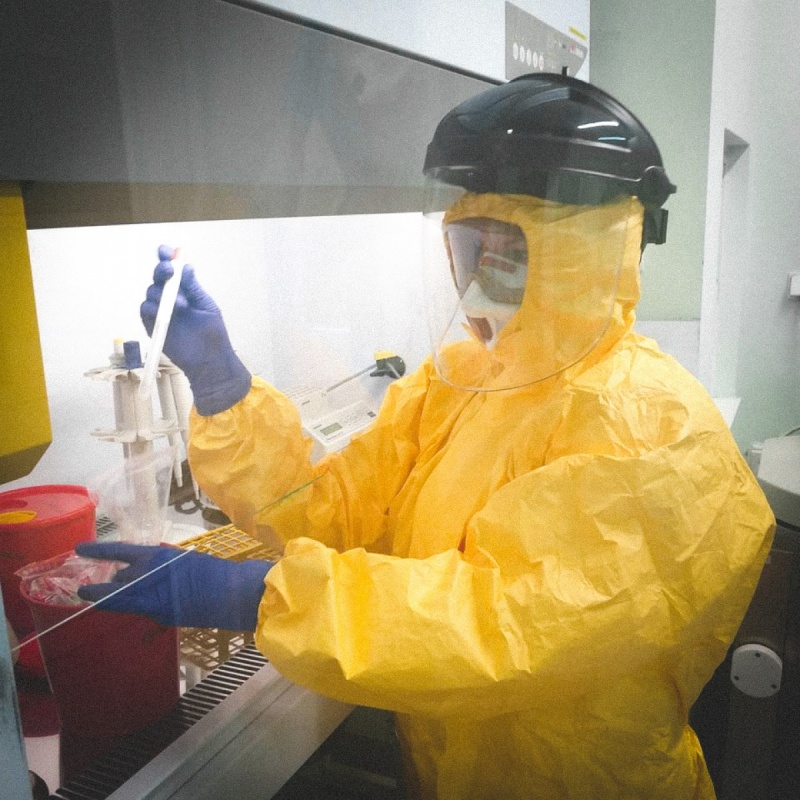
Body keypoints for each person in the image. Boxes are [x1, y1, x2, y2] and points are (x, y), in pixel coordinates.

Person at [77, 74, 775, 800]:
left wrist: (261, 598)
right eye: (468, 250)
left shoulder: (657, 431)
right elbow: (332, 512)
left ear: (586, 258)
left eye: (507, 255)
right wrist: (225, 390)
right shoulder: (460, 383)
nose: (476, 282)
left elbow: (498, 624)